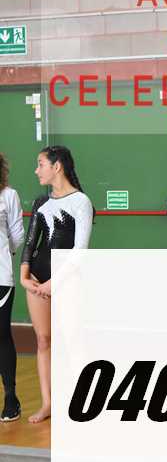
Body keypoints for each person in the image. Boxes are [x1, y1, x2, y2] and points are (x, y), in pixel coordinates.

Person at [20, 146, 93, 424]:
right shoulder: (42, 202)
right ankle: (48, 403)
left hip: (67, 279)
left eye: (41, 164)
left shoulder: (80, 202)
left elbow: (80, 250)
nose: (36, 170)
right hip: (38, 279)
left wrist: (55, 282)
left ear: (57, 166)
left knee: (73, 340)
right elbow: (30, 243)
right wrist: (25, 277)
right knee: (43, 340)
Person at [0, 153, 25, 422]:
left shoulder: (9, 195)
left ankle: (11, 398)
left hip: (1, 276)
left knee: (1, 334)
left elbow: (17, 235)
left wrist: (6, 253)